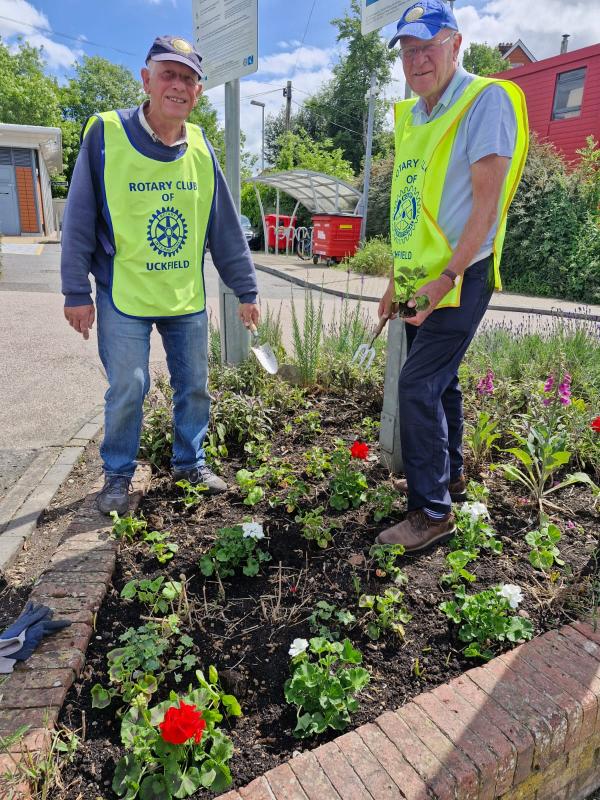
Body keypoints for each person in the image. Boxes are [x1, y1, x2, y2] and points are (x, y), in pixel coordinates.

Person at [61, 35, 259, 515]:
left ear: (198, 91)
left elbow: (224, 226)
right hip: (121, 292)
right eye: (168, 74)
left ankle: (190, 463)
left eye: (188, 78)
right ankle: (118, 475)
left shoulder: (199, 150)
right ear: (146, 79)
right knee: (129, 384)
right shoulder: (104, 133)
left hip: (183, 296)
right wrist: (75, 291)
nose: (178, 85)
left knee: (194, 384)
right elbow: (79, 216)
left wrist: (245, 288)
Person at [375, 1, 528, 551]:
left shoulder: (483, 101)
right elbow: (410, 206)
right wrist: (398, 277)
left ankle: (431, 511)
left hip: (464, 273)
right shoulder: (414, 115)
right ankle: (450, 474)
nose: (416, 60)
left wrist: (449, 276)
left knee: (417, 384)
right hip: (422, 276)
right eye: (408, 50)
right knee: (441, 382)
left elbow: (485, 209)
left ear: (456, 43)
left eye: (427, 47)